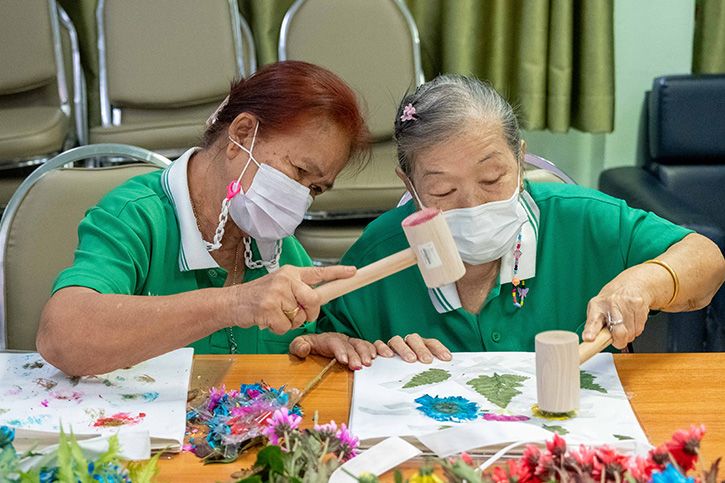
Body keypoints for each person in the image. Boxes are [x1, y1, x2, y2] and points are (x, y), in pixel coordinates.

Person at [290, 74, 725, 365]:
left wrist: (644, 282)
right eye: (443, 191)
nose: (473, 204)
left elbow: (707, 260)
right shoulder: (379, 251)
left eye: (493, 178)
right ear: (410, 183)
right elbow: (325, 348)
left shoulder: (580, 219)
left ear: (519, 158)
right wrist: (358, 354)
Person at [37, 61, 372, 376]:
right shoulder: (138, 217)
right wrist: (232, 303)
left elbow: (288, 369)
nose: (299, 199)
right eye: (298, 171)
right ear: (242, 135)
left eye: (314, 189)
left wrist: (315, 349)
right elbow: (63, 337)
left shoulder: (284, 257)